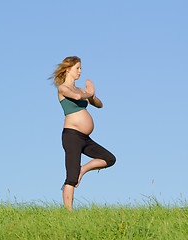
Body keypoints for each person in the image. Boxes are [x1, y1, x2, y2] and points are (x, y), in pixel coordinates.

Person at [49, 56, 116, 211]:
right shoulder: (63, 88)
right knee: (71, 178)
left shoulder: (81, 90)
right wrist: (89, 93)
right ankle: (68, 213)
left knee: (110, 159)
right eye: (77, 68)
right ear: (68, 69)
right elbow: (78, 97)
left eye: (80, 68)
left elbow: (100, 105)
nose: (80, 71)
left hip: (85, 138)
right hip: (71, 136)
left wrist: (92, 95)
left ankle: (83, 169)